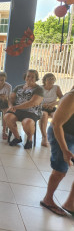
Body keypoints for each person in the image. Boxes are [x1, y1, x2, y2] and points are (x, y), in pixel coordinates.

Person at [40, 88, 74, 216]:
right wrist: (65, 150)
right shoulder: (71, 97)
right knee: (60, 171)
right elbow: (56, 124)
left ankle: (70, 203)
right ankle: (48, 199)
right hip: (63, 136)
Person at [5, 69, 43, 149]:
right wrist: (10, 106)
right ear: (25, 77)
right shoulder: (19, 87)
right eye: (28, 76)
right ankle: (17, 138)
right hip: (17, 110)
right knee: (7, 116)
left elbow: (33, 103)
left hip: (32, 111)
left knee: (27, 122)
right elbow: (11, 98)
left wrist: (16, 107)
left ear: (36, 78)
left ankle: (29, 139)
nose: (30, 78)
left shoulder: (39, 89)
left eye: (33, 77)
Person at [39, 73, 63, 147]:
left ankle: (55, 137)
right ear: (44, 80)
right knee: (44, 115)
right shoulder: (40, 88)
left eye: (53, 79)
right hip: (42, 107)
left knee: (56, 117)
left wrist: (53, 104)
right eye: (49, 79)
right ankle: (44, 137)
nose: (51, 80)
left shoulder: (56, 88)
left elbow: (62, 99)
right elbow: (36, 100)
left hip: (52, 107)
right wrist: (43, 105)